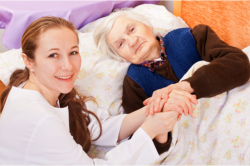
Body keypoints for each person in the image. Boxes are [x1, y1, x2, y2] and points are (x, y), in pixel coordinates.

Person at [0, 16, 188, 165]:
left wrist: (153, 109)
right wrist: (148, 132)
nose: (68, 66)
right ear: (28, 61)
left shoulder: (46, 92)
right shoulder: (37, 116)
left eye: (73, 52)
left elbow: (97, 126)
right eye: (53, 55)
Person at [93, 9, 250, 154]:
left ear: (147, 25)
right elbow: (142, 144)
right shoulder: (134, 83)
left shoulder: (192, 36)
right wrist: (161, 125)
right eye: (121, 44)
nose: (132, 41)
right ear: (121, 57)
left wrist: (184, 87)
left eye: (132, 29)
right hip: (194, 147)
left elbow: (240, 64)